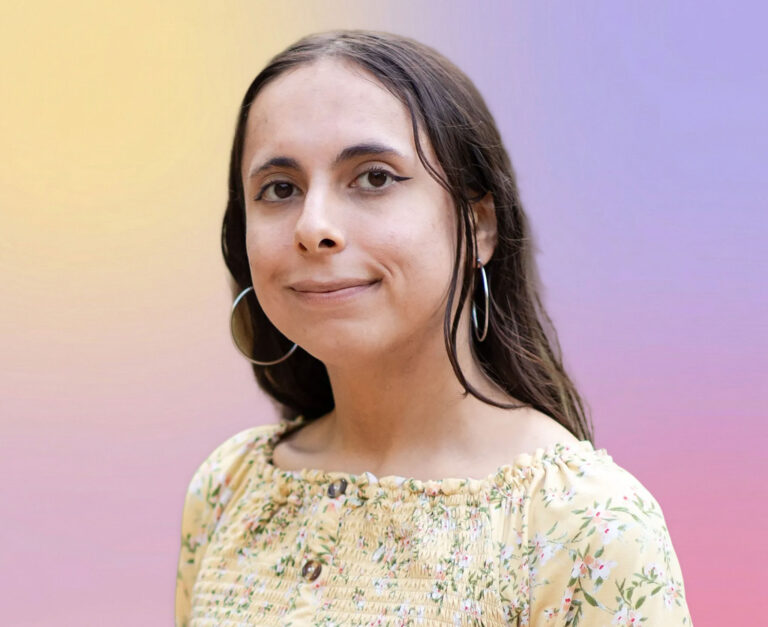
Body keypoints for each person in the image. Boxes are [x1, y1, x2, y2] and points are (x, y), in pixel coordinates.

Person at [175, 30, 692, 626]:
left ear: (480, 224)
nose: (313, 226)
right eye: (280, 189)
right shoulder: (229, 490)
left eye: (373, 178)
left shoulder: (585, 527)